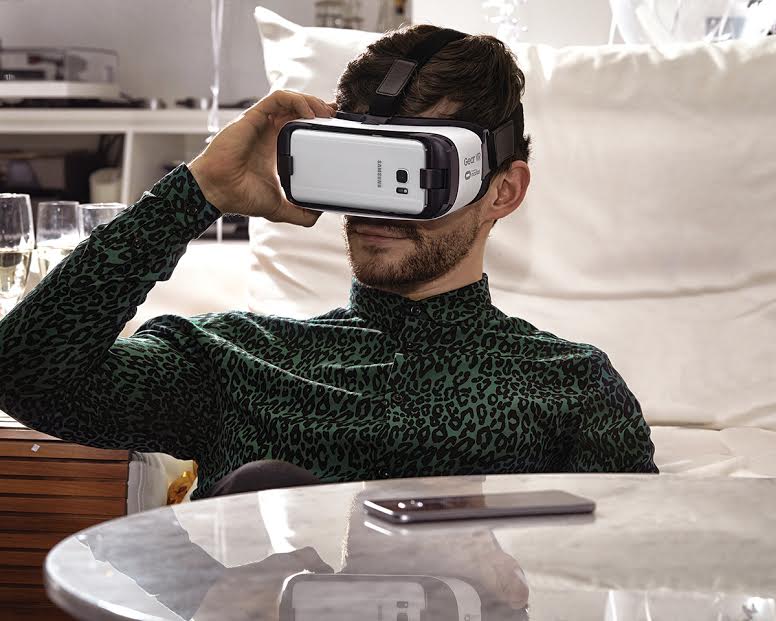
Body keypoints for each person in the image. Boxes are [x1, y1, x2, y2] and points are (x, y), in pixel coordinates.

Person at [0, 25, 656, 500]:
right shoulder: (234, 363)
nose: (377, 205)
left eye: (411, 172)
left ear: (503, 192)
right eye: (357, 163)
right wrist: (198, 192)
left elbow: (632, 573)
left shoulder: (569, 387)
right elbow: (25, 374)